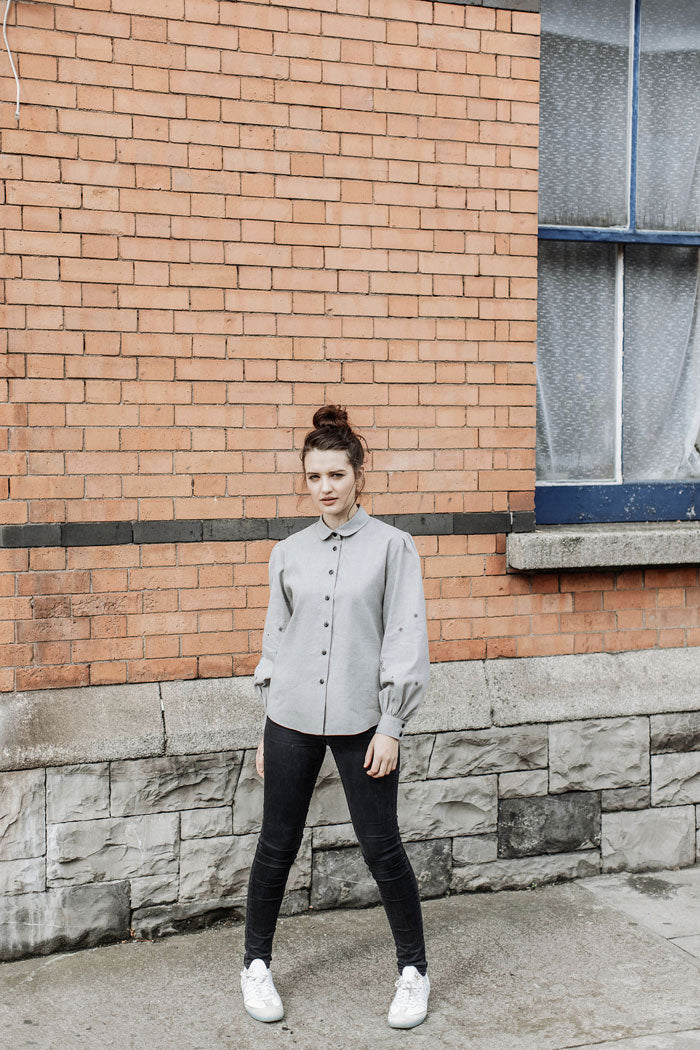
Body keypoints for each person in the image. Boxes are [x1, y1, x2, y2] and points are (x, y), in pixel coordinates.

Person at [240, 403, 432, 1029]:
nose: (325, 488)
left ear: (358, 475)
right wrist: (266, 725)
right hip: (289, 717)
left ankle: (413, 972)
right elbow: (276, 642)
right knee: (276, 845)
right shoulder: (287, 552)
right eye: (314, 477)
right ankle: (255, 965)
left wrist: (391, 724)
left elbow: (404, 637)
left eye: (336, 475)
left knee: (381, 847)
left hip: (364, 721)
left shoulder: (393, 547)